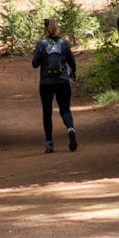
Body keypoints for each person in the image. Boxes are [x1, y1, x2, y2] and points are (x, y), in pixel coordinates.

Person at [31, 16, 78, 152]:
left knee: (47, 111)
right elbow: (72, 61)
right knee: (65, 109)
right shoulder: (64, 43)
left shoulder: (41, 44)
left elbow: (34, 64)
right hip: (62, 81)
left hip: (46, 82)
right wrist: (72, 73)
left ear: (45, 29)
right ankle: (70, 128)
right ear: (57, 27)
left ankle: (50, 144)